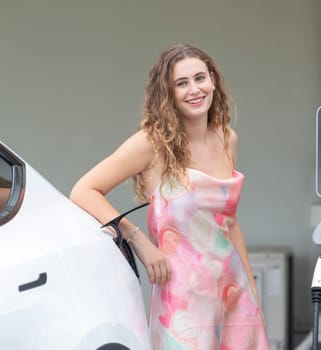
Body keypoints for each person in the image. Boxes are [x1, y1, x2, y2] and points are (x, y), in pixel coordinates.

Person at [70, 43, 270, 349]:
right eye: (182, 83)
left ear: (213, 81)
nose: (194, 89)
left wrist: (253, 297)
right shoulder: (151, 144)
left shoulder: (227, 138)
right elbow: (84, 191)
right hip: (182, 303)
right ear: (168, 93)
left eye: (200, 78)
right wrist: (140, 243)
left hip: (233, 293)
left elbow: (229, 223)